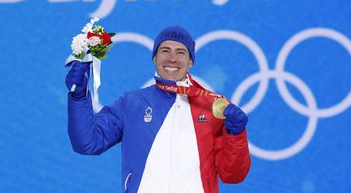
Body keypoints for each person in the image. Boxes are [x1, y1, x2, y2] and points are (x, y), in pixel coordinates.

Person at [65, 26, 251, 193]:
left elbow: (232, 176)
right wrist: (79, 97)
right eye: (165, 51)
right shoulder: (131, 103)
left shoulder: (213, 106)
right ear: (155, 58)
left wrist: (236, 134)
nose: (172, 58)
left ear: (190, 62)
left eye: (181, 52)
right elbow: (87, 143)